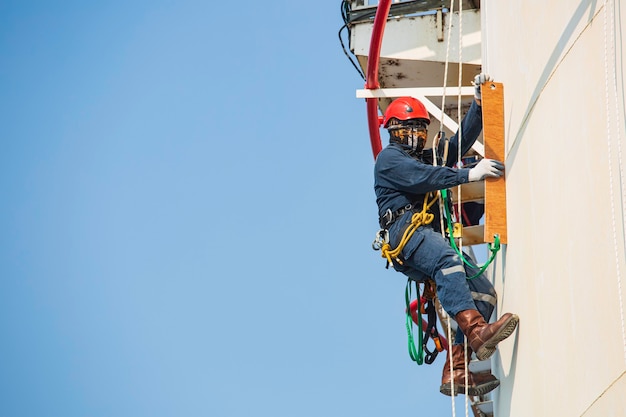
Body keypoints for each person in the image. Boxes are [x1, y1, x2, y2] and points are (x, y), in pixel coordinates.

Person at [373, 74, 519, 396]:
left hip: (427, 235)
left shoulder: (423, 157)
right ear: (395, 131)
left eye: (421, 130)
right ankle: (477, 331)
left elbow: (455, 147)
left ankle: (456, 368)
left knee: (484, 293)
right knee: (449, 260)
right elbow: (425, 177)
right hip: (406, 233)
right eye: (410, 130)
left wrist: (478, 106)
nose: (418, 136)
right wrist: (468, 174)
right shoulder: (389, 160)